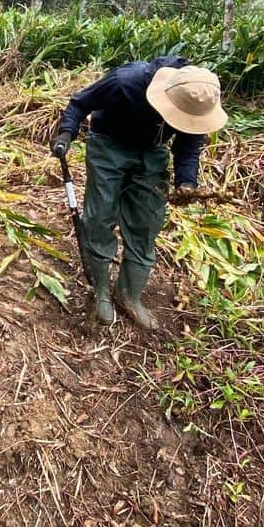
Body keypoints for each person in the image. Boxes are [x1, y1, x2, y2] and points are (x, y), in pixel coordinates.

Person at [52, 57, 227, 330]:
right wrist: (66, 133)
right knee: (99, 217)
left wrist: (186, 181)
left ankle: (129, 296)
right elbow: (80, 103)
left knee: (147, 223)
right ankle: (100, 292)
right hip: (108, 145)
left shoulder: (198, 100)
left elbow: (189, 144)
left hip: (153, 151)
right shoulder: (127, 83)